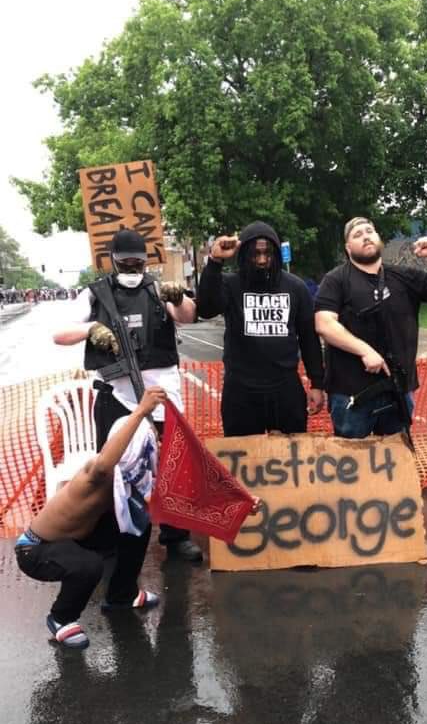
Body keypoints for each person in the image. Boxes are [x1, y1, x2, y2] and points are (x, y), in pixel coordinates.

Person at [53, 229, 202, 561]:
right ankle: (107, 535)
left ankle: (176, 536)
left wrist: (178, 298)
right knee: (108, 469)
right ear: (114, 261)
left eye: (139, 262)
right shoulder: (95, 294)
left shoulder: (157, 289)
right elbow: (59, 333)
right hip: (116, 395)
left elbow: (187, 317)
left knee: (172, 465)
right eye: (127, 263)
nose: (134, 269)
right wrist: (90, 329)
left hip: (162, 393)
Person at [14, 387, 166, 650]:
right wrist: (141, 411)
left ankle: (122, 595)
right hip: (36, 550)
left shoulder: (129, 480)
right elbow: (106, 463)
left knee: (138, 525)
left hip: (77, 538)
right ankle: (61, 618)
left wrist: (246, 503)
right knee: (90, 565)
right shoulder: (94, 473)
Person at [314, 217, 427, 438]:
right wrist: (365, 350)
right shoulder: (335, 280)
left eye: (369, 231)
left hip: (398, 389)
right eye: (357, 235)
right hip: (351, 393)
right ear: (348, 247)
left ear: (378, 238)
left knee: (397, 462)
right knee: (354, 464)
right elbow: (324, 323)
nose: (365, 236)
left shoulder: (403, 276)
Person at [197, 221, 325, 435]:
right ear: (244, 255)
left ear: (276, 253)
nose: (262, 260)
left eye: (268, 254)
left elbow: (308, 338)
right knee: (243, 462)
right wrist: (215, 261)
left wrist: (317, 383)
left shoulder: (295, 287)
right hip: (241, 391)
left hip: (285, 388)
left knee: (291, 458)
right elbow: (207, 308)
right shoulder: (230, 284)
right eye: (255, 254)